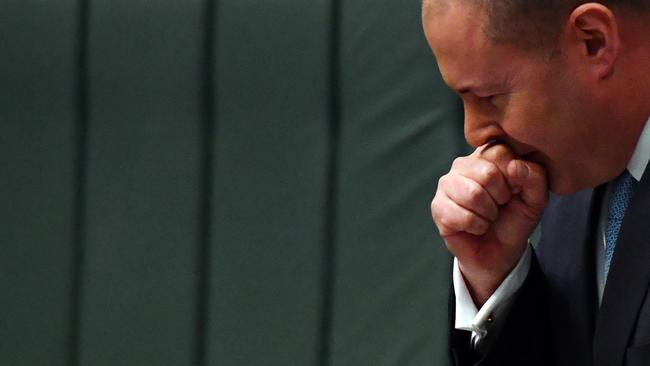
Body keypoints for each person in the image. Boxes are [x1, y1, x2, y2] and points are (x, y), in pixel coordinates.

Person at [423, 1, 650, 365]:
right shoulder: (570, 174)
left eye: (488, 97)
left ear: (594, 42)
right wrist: (494, 278)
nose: (474, 134)